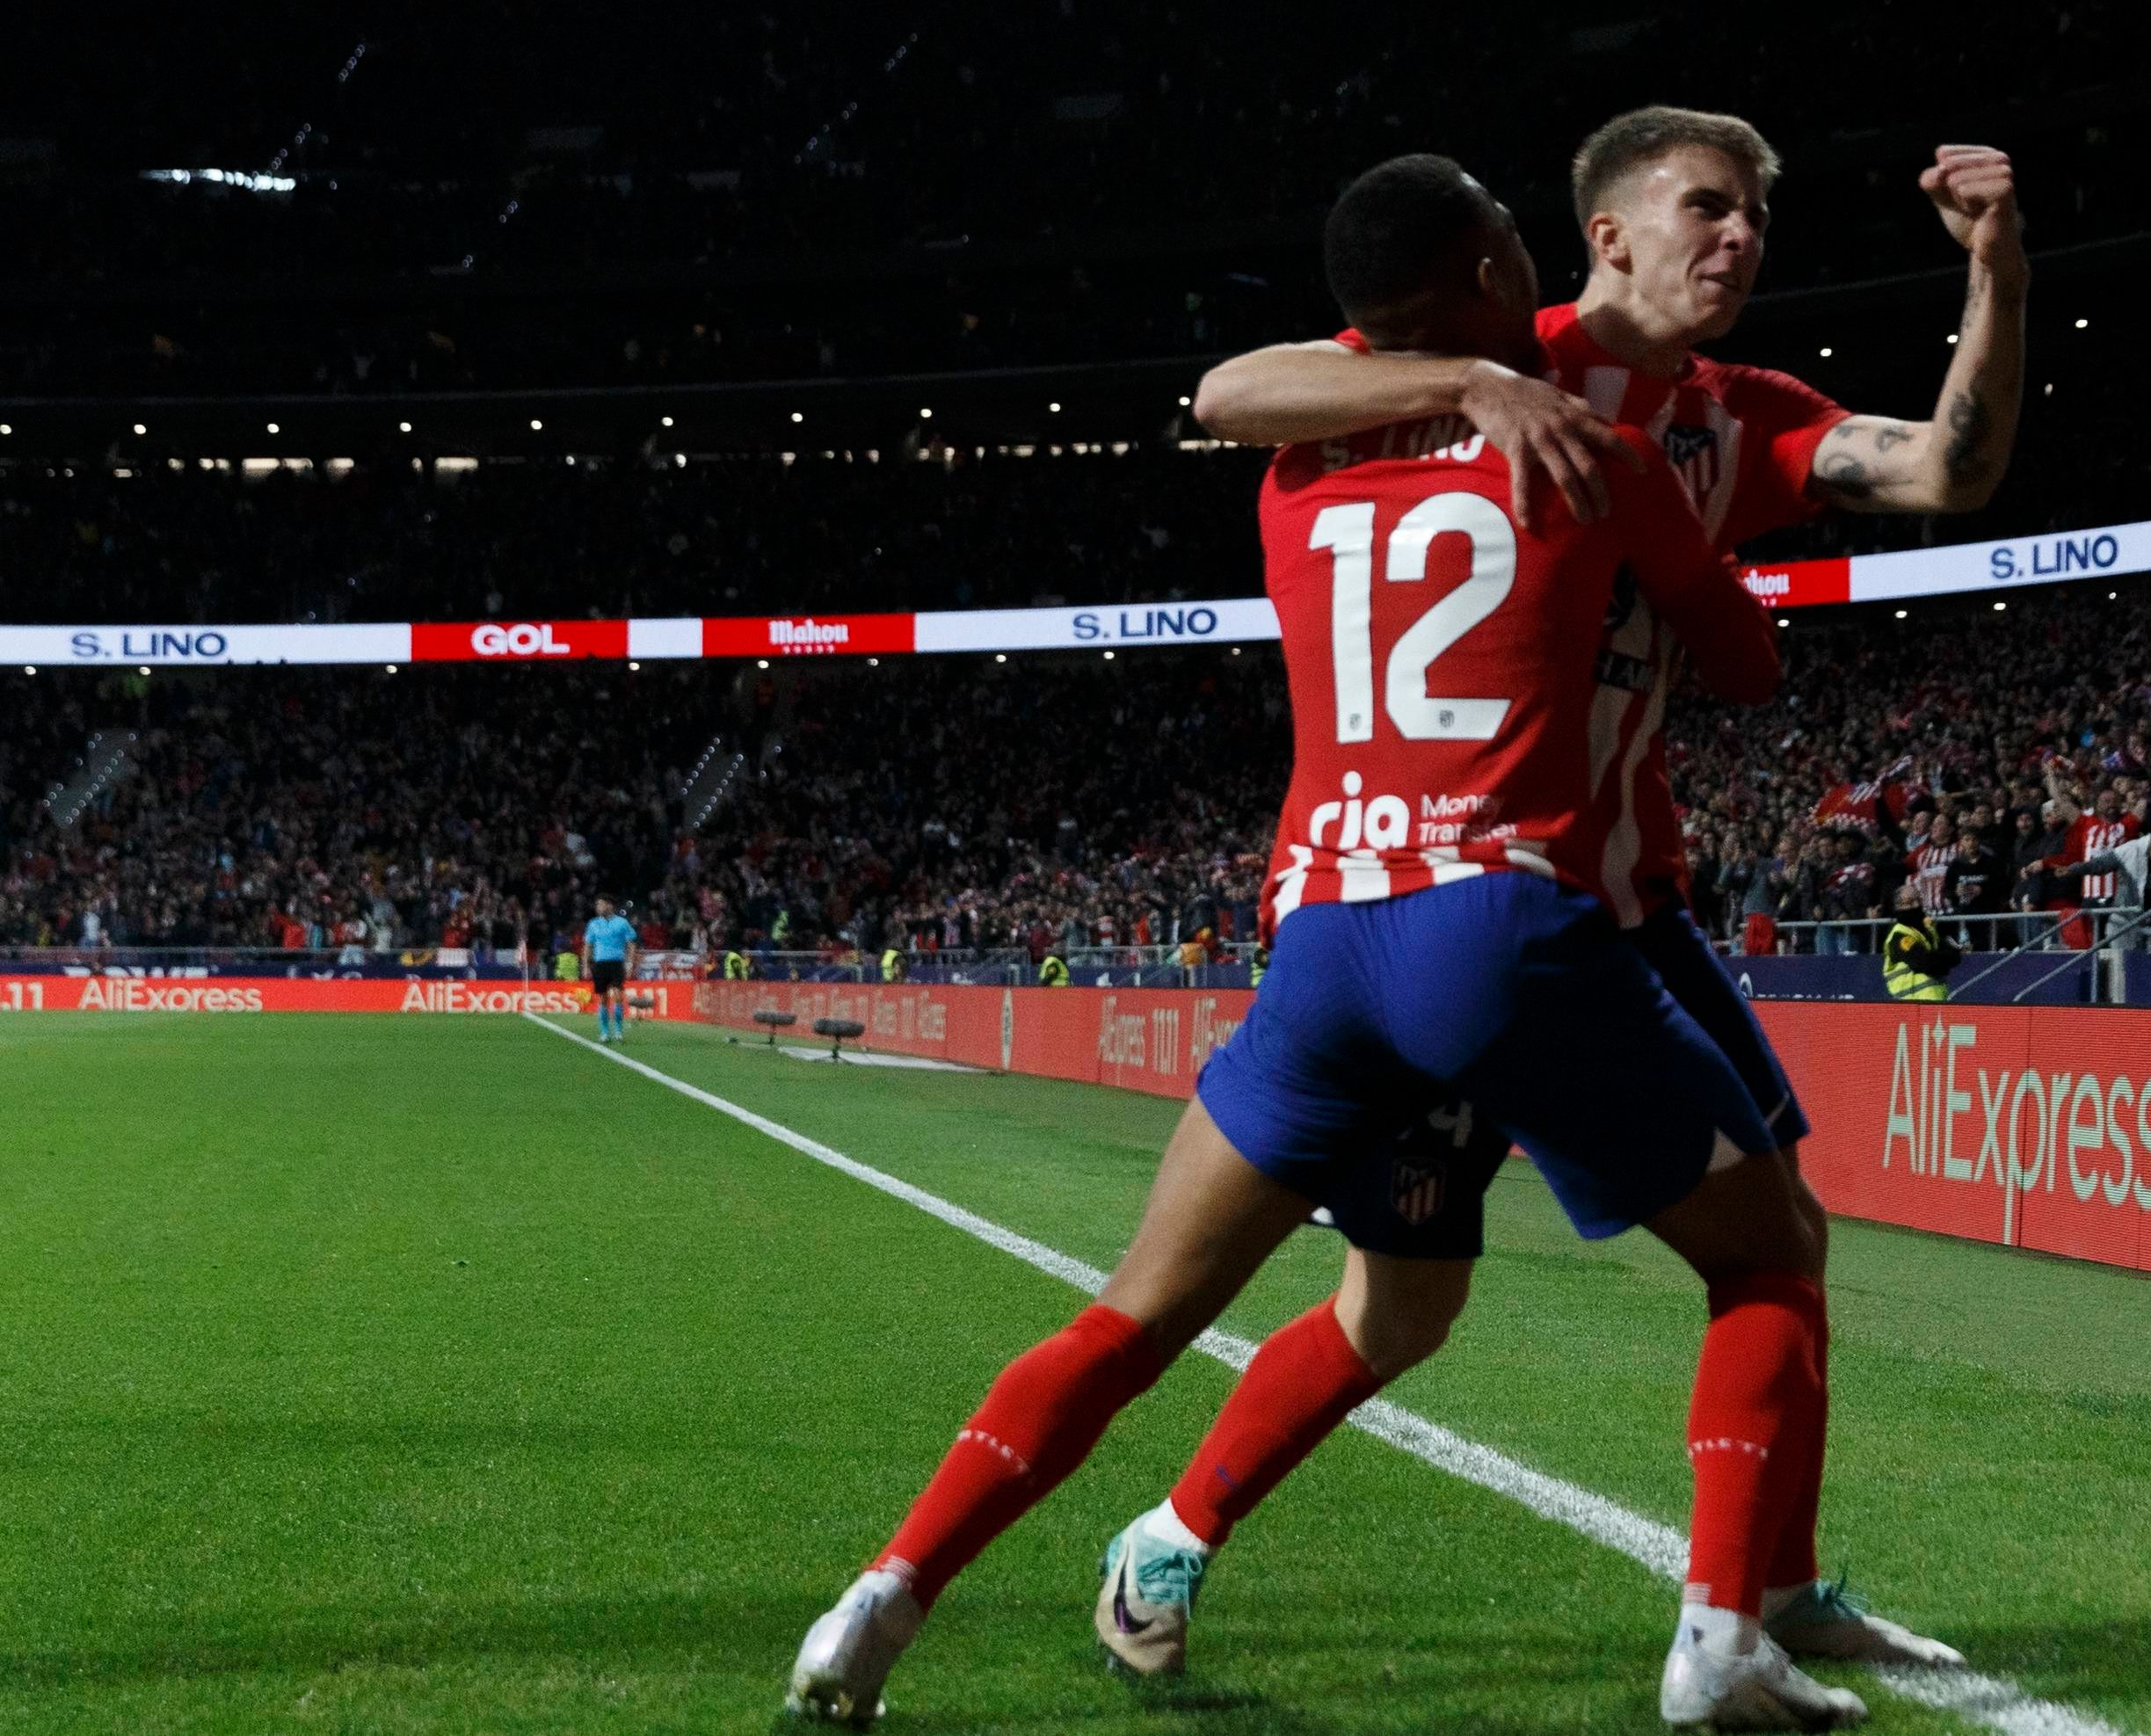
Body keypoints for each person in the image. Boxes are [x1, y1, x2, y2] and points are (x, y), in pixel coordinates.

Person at [785, 155, 1867, 1731]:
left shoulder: (1295, 461)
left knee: (1166, 1311)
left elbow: (1235, 388)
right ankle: (1722, 1638)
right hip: (1506, 930)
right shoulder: (1594, 443)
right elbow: (1750, 665)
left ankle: (882, 1595)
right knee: (1768, 1258)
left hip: (1323, 937)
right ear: (1506, 262)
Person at [1173, 105, 2026, 1658]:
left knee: (1784, 1242)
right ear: (1606, 231)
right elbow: (1231, 391)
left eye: (1757, 215)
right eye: (1708, 206)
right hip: (1459, 901)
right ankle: (1173, 1533)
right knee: (1400, 1312)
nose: (1741, 238)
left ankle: (1770, 1591)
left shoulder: (1733, 413)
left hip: (1619, 908)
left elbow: (1946, 475)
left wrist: (1998, 275)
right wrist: (1467, 379)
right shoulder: (1497, 348)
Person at [1879, 891, 1961, 1002]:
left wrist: (1937, 961)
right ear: (1898, 906)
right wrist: (1943, 962)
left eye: (1916, 901)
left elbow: (1955, 954)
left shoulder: (1930, 928)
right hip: (1910, 1004)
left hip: (1938, 1000)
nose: (1914, 905)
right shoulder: (1899, 935)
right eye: (1908, 903)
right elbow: (1924, 963)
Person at [582, 896, 636, 1043]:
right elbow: (588, 945)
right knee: (603, 999)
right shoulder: (593, 924)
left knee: (618, 995)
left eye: (601, 904)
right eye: (597, 905)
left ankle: (618, 1031)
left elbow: (631, 943)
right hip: (600, 964)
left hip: (617, 963)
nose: (598, 907)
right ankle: (605, 1032)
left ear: (610, 906)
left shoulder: (622, 923)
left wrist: (630, 964)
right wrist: (586, 965)